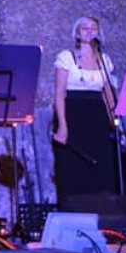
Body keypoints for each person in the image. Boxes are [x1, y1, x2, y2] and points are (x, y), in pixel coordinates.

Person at [52, 16, 119, 207]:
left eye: (93, 28)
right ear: (77, 32)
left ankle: (103, 210)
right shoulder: (66, 57)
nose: (89, 31)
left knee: (101, 165)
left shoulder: (104, 60)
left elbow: (107, 93)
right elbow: (59, 93)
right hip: (73, 113)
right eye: (85, 28)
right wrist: (63, 126)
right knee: (74, 167)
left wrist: (113, 120)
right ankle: (73, 208)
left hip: (96, 117)